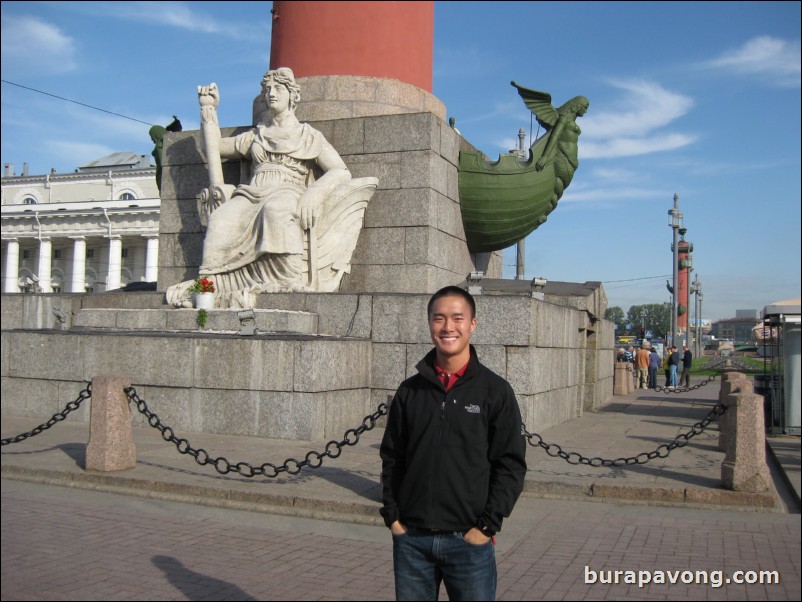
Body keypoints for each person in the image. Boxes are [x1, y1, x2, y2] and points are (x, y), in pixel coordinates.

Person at [380, 286, 527, 601]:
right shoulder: (409, 391)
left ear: (472, 324)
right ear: (429, 323)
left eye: (457, 318)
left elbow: (510, 464)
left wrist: (486, 527)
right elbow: (393, 458)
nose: (448, 327)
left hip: (469, 542)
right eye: (439, 318)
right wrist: (393, 518)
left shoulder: (495, 391)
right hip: (412, 542)